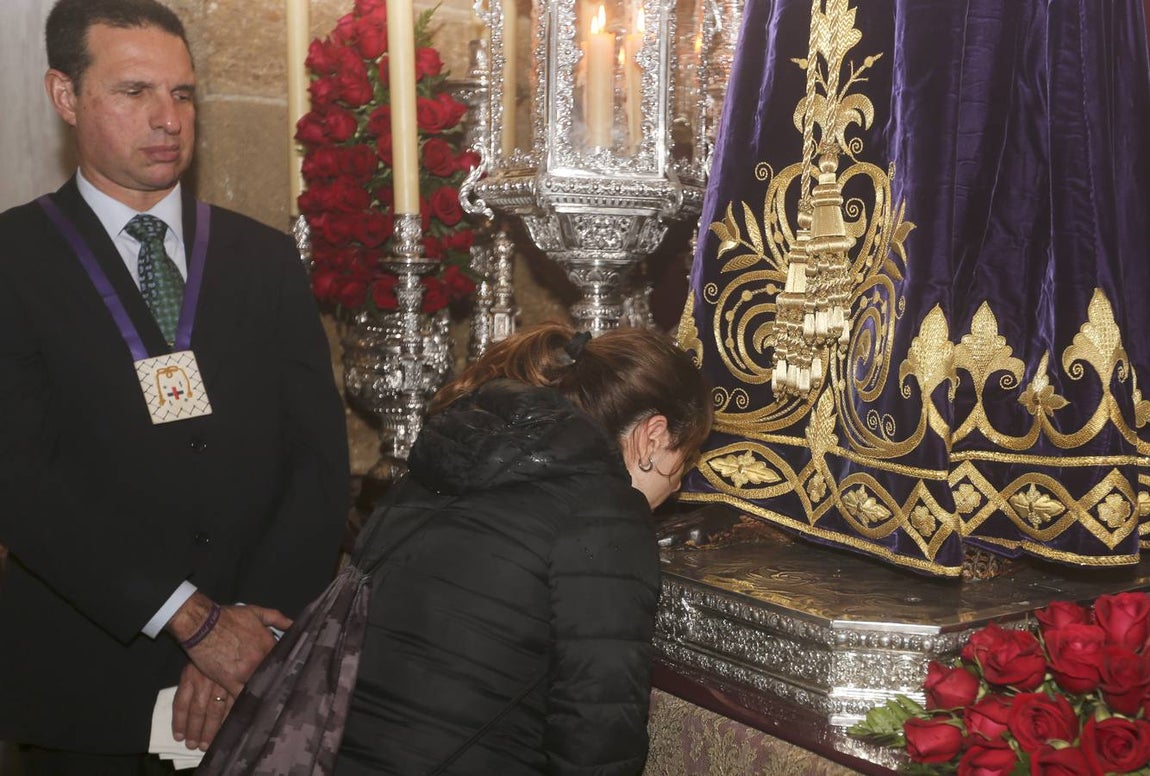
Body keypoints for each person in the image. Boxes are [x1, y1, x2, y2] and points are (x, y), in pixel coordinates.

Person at [0, 0, 350, 773]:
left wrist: (247, 634)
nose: (167, 119)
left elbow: (319, 465)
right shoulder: (14, 260)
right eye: (135, 92)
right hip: (88, 688)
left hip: (258, 677)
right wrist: (192, 620)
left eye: (182, 94)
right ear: (66, 96)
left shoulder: (263, 259)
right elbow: (20, 482)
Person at [330, 323, 712, 776]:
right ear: (653, 436)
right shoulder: (604, 512)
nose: (677, 484)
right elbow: (596, 734)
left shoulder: (441, 463)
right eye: (685, 458)